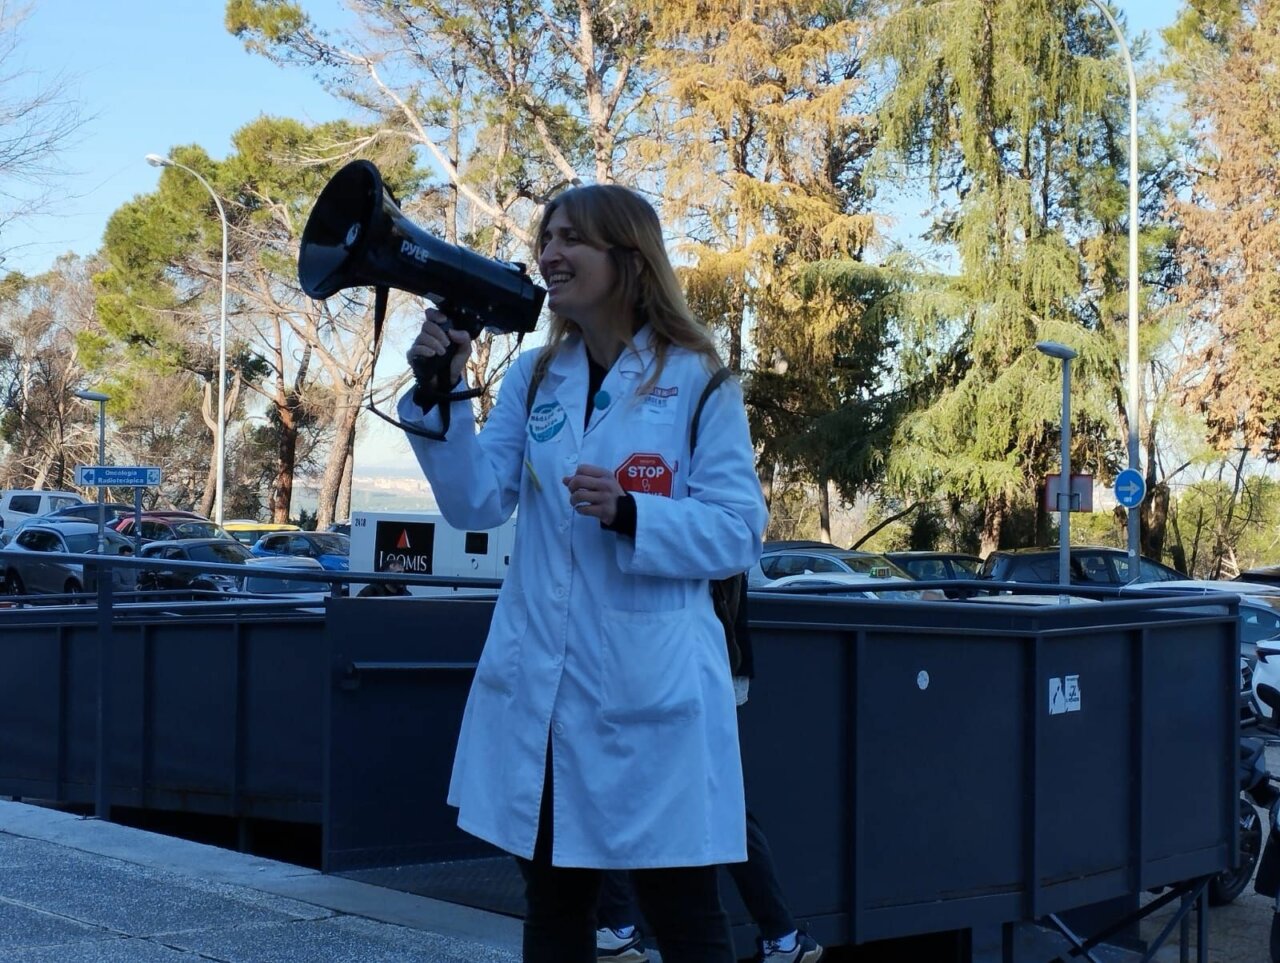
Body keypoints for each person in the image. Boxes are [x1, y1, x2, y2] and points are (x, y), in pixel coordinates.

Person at [399, 182, 768, 963]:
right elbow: (475, 502)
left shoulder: (699, 380)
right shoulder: (536, 377)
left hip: (652, 691)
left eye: (571, 239)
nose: (550, 254)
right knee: (556, 905)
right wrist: (443, 390)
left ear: (628, 258)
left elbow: (739, 532)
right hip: (542, 687)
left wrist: (634, 512)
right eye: (547, 237)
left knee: (682, 910)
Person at [595, 583, 824, 963]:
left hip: (699, 660)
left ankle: (617, 925)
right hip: (712, 658)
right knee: (719, 800)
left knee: (627, 783)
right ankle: (782, 935)